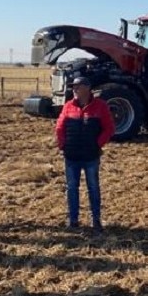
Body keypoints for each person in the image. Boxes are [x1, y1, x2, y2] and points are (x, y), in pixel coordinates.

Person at [55, 76, 115, 235]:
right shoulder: (68, 106)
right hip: (71, 156)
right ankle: (73, 221)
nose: (74, 89)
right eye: (73, 87)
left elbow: (109, 128)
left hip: (91, 156)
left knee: (93, 188)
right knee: (72, 188)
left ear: (87, 88)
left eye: (77, 86)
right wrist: (63, 145)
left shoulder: (100, 107)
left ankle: (96, 220)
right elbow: (59, 128)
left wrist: (97, 144)